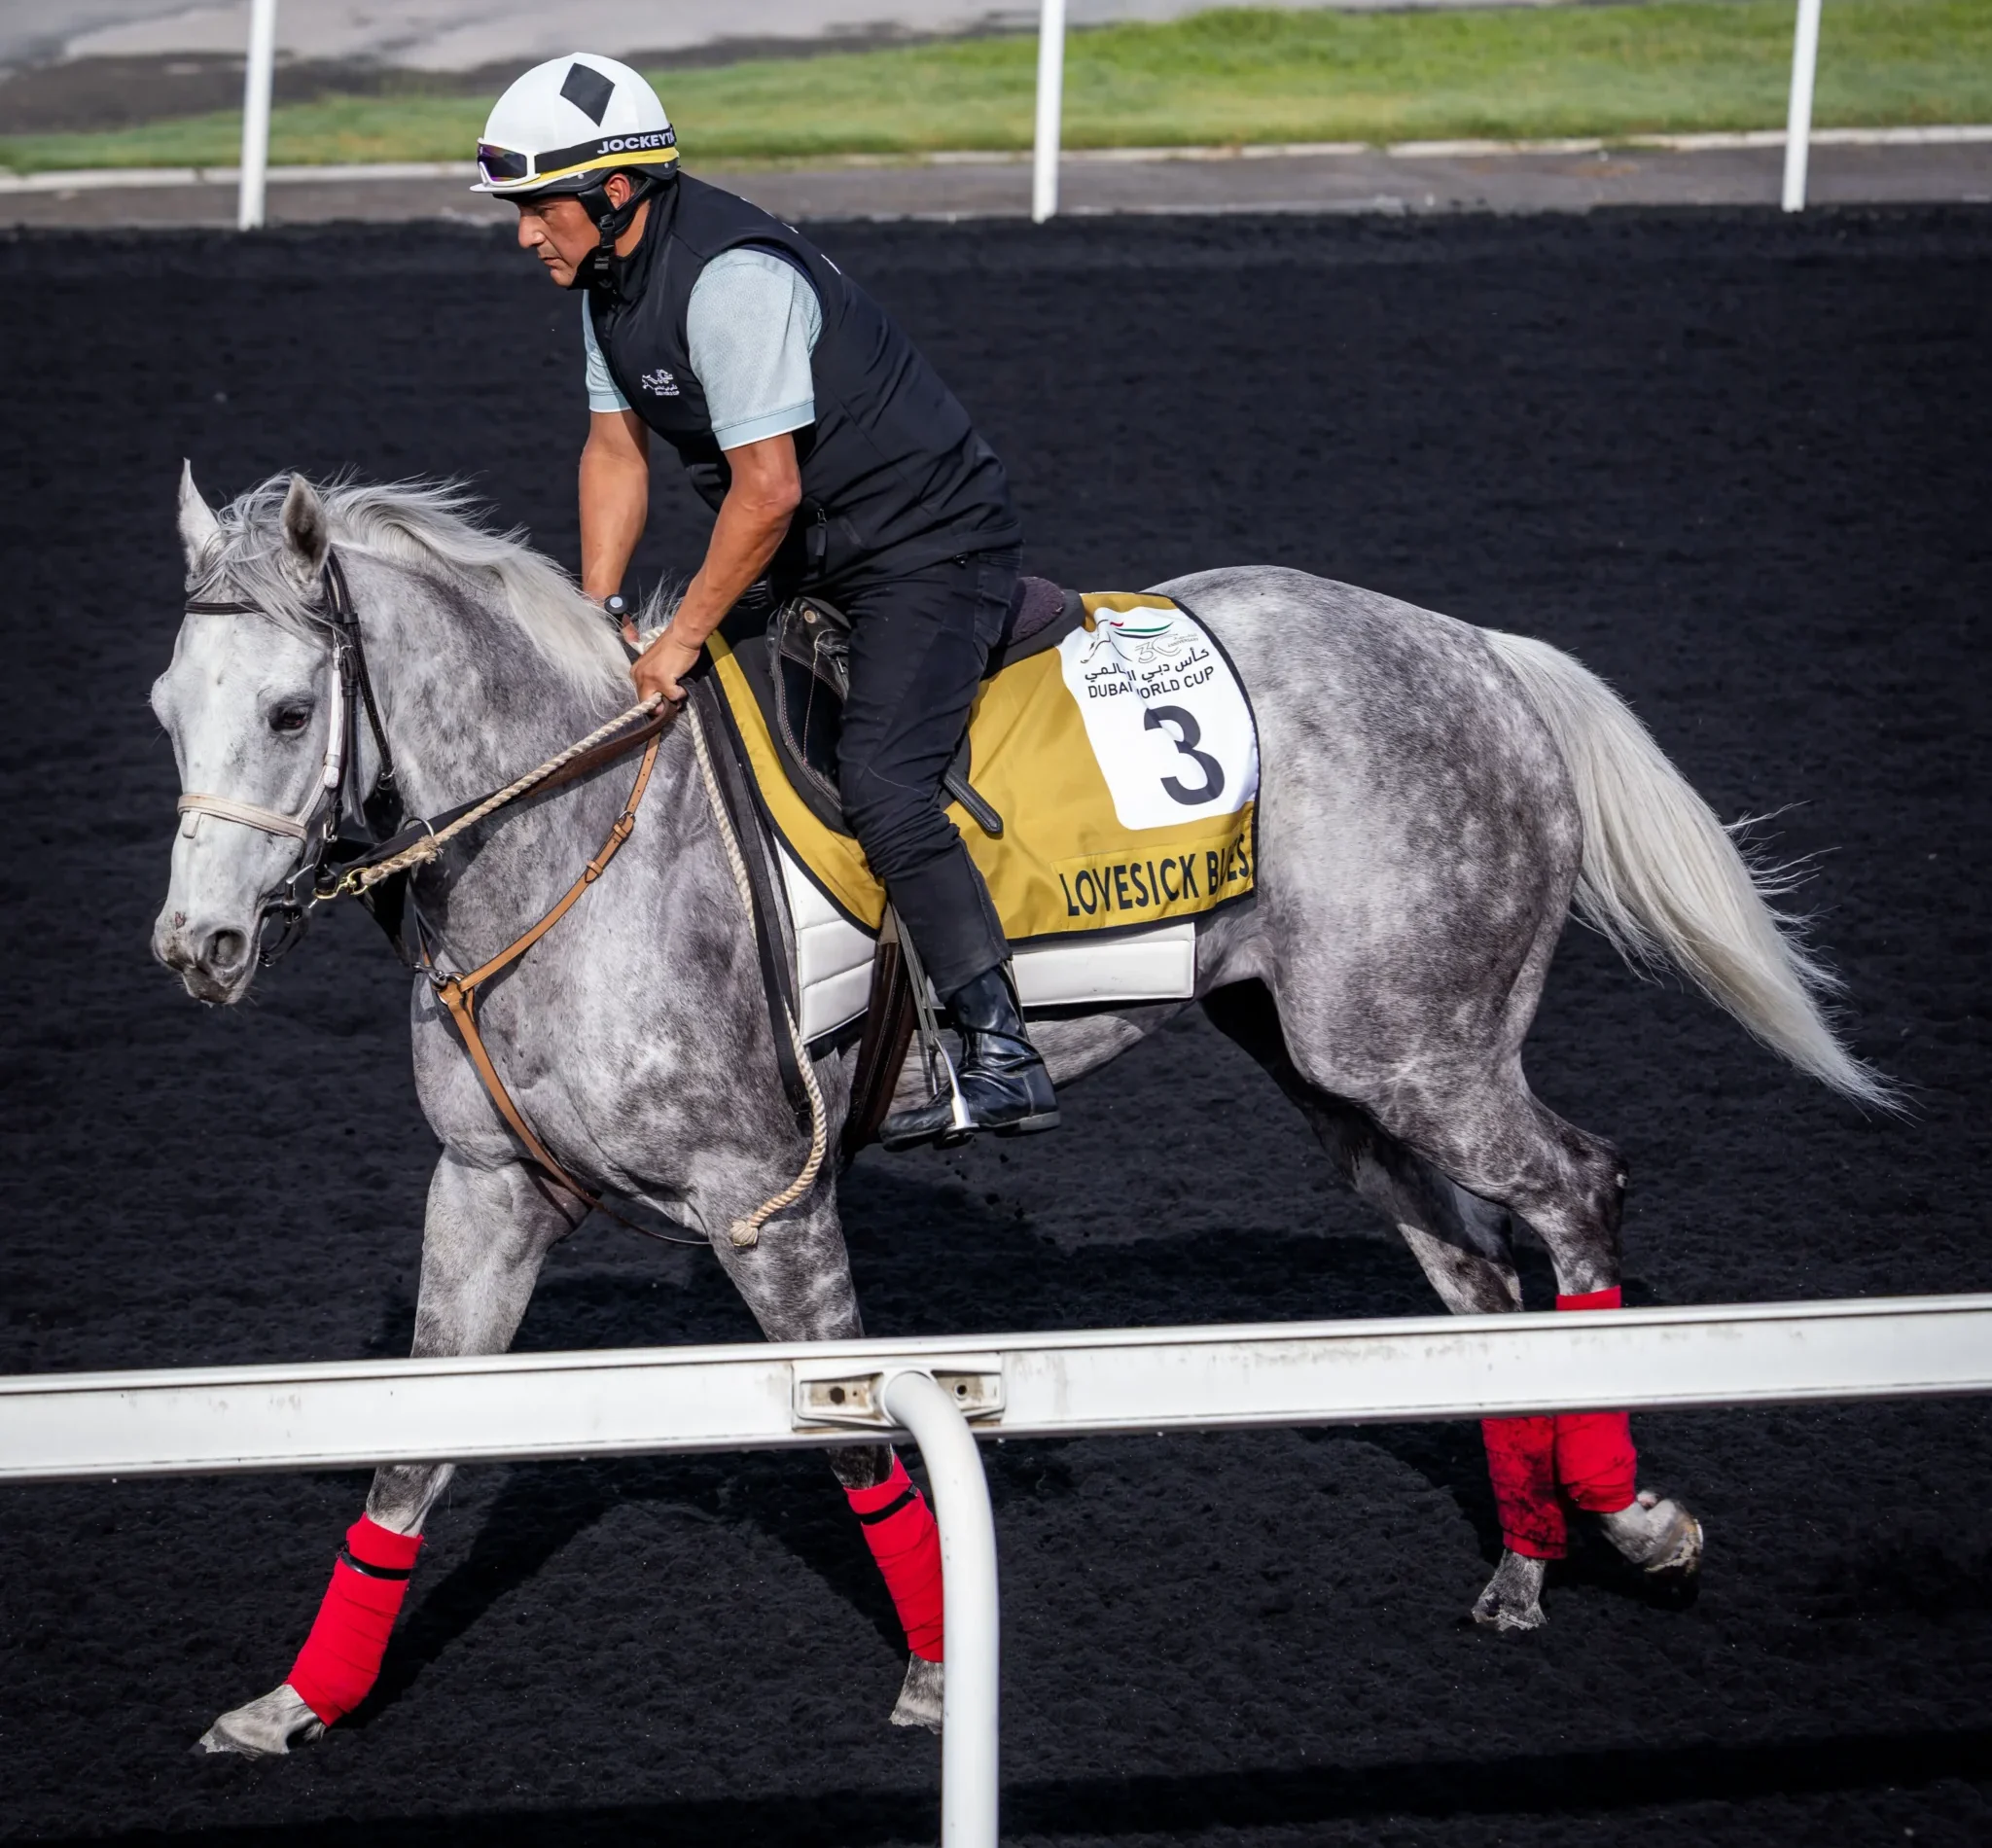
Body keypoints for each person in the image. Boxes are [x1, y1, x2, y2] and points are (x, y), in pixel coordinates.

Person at [475, 53, 1055, 1148]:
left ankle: (1000, 1051)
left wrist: (681, 634)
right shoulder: (609, 285)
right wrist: (601, 618)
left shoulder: (732, 281)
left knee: (882, 781)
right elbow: (614, 454)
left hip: (931, 552)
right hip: (815, 557)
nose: (522, 235)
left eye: (536, 208)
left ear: (613, 195)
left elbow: (767, 489)